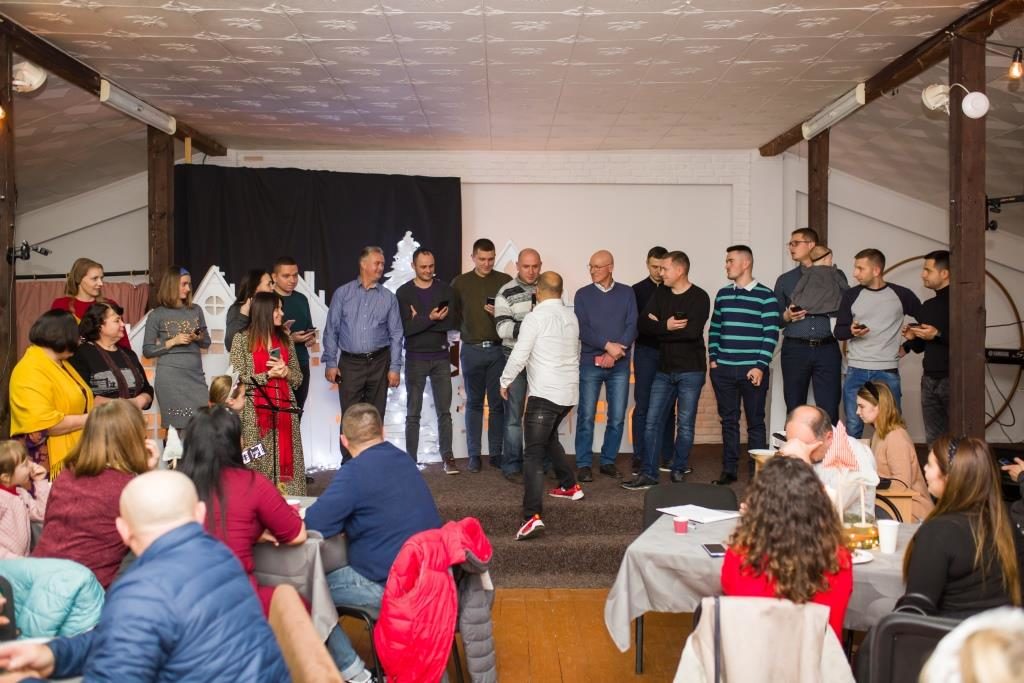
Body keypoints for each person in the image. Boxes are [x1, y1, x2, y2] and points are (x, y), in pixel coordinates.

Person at [0, 470, 290, 682]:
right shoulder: (220, 556)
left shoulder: (140, 592)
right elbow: (123, 638)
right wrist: (54, 655)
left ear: (123, 530)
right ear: (200, 514)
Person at [304, 404, 441, 683]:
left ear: (344, 441)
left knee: (303, 591)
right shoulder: (404, 459)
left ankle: (357, 675)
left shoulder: (353, 473)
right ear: (382, 432)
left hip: (390, 586)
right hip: (433, 580)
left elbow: (314, 524)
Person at [179, 406, 307, 615]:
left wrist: (253, 532)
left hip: (182, 602)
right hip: (237, 602)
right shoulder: (251, 483)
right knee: (298, 607)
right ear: (234, 442)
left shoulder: (175, 485)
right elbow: (297, 535)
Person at [722, 456, 853, 641]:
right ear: (819, 505)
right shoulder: (838, 559)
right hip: (818, 656)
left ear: (759, 505)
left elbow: (733, 604)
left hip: (751, 657)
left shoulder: (740, 556)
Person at [32, 400, 157, 589]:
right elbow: (156, 536)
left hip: (40, 582)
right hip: (88, 593)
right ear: (133, 440)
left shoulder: (65, 477)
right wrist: (149, 474)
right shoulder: (127, 488)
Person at [500, 272, 583, 540]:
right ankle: (569, 485)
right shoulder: (571, 317)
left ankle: (531, 517)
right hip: (568, 395)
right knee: (549, 439)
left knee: (533, 455)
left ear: (538, 290)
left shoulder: (535, 318)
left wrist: (505, 380)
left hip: (545, 396)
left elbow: (520, 354)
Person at [901, 436, 1023, 617]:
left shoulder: (938, 532)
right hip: (1002, 633)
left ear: (950, 477)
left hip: (951, 634)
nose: (924, 468)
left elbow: (914, 611)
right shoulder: (1008, 526)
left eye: (930, 465)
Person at [623, 251, 710, 490]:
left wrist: (659, 328)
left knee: (685, 424)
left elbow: (692, 332)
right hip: (664, 370)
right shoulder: (661, 292)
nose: (661, 273)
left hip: (691, 371)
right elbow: (643, 325)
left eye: (665, 269)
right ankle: (648, 474)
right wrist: (667, 326)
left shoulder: (700, 297)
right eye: (659, 268)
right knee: (652, 421)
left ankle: (678, 469)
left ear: (680, 270)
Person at [708, 245, 780, 485]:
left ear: (746, 263)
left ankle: (757, 474)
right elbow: (715, 329)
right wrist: (713, 360)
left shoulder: (766, 296)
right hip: (724, 370)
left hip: (753, 370)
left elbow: (771, 334)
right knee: (728, 421)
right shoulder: (723, 295)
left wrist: (760, 366)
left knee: (755, 423)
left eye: (730, 261)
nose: (726, 265)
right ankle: (729, 470)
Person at [835, 248, 920, 438]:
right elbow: (839, 332)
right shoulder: (851, 295)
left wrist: (909, 346)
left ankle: (890, 458)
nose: (855, 273)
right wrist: (851, 331)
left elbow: (927, 322)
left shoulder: (902, 294)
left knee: (891, 426)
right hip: (856, 370)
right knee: (853, 425)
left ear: (876, 270)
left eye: (860, 268)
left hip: (887, 371)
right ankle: (853, 459)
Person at [322, 246, 403, 446]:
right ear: (363, 264)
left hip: (379, 363)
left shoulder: (388, 298)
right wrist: (331, 362)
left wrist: (394, 368)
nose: (381, 267)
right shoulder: (342, 294)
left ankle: (373, 458)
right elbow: (331, 330)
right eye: (377, 263)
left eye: (383, 264)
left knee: (376, 415)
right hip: (350, 364)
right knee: (350, 415)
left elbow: (396, 334)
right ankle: (349, 461)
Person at [229, 292, 305, 496]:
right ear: (264, 311)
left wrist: (286, 372)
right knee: (257, 464)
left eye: (281, 308)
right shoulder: (242, 339)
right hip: (254, 415)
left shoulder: (285, 339)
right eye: (277, 309)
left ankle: (288, 508)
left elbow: (298, 379)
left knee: (286, 466)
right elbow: (237, 380)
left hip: (285, 413)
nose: (282, 313)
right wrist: (268, 375)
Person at [573, 249, 637, 482]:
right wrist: (608, 346)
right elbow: (583, 329)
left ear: (610, 267)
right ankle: (583, 464)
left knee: (617, 416)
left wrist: (614, 354)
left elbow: (632, 326)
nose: (592, 270)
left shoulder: (627, 293)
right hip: (590, 363)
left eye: (597, 266)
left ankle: (608, 461)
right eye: (590, 266)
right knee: (586, 415)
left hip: (619, 364)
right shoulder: (582, 295)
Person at [774, 228, 848, 424]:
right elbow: (775, 319)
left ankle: (832, 444)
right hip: (795, 349)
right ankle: (794, 444)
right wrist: (787, 315)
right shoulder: (785, 280)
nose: (791, 247)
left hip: (827, 347)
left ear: (811, 245)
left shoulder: (836, 275)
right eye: (790, 244)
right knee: (794, 406)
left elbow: (846, 306)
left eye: (795, 243)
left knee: (830, 407)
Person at [451, 238, 512, 473]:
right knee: (474, 403)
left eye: (491, 259)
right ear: (473, 258)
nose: (487, 264)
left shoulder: (504, 281)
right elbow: (453, 315)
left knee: (497, 405)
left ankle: (495, 454)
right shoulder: (460, 283)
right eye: (482, 259)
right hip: (471, 349)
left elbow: (515, 315)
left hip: (498, 350)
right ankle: (474, 455)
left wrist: (500, 313)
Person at [8, 310, 93, 479]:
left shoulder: (61, 364)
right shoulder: (30, 369)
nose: (79, 342)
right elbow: (46, 424)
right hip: (42, 465)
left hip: (75, 452)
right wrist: (92, 418)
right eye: (78, 337)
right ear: (63, 336)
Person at [396, 247, 458, 473]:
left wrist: (419, 320)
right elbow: (405, 329)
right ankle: (410, 461)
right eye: (423, 267)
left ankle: (448, 457)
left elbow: (450, 323)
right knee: (413, 413)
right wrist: (430, 318)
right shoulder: (404, 293)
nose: (428, 270)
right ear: (413, 266)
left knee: (445, 412)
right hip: (415, 359)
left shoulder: (445, 290)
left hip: (441, 357)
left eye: (431, 266)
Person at [778, 405, 879, 519]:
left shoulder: (855, 457)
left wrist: (804, 466)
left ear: (829, 437)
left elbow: (824, 510)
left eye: (805, 445)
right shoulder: (808, 447)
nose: (798, 450)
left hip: (846, 527)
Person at [142, 266, 212, 431]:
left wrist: (197, 337)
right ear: (171, 285)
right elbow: (148, 350)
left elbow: (206, 342)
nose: (188, 289)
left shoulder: (196, 310)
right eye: (184, 284)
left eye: (189, 284)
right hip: (170, 381)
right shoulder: (157, 315)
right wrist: (173, 341)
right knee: (175, 432)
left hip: (195, 378)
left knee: (202, 427)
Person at [494, 248, 543, 483]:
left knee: (543, 414)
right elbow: (502, 329)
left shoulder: (548, 289)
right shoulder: (505, 292)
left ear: (540, 265)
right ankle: (512, 464)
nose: (531, 271)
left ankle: (542, 462)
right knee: (514, 415)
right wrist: (532, 328)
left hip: (542, 361)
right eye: (526, 266)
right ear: (517, 266)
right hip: (514, 359)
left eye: (535, 266)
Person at [854, 381, 933, 522]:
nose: (857, 412)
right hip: (890, 506)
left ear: (879, 406)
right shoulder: (879, 434)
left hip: (910, 511)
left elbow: (901, 485)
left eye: (861, 406)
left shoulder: (896, 437)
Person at [631, 246, 675, 476]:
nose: (658, 271)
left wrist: (655, 324)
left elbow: (679, 325)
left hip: (670, 352)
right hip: (645, 352)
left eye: (661, 267)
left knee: (669, 407)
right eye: (653, 266)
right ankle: (639, 457)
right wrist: (660, 325)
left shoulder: (674, 289)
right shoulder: (637, 290)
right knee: (643, 405)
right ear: (647, 264)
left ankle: (667, 456)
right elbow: (638, 325)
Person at [902, 250, 951, 446]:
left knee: (959, 437)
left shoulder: (964, 303)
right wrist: (912, 338)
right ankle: (936, 467)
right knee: (934, 439)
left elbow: (971, 342)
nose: (923, 275)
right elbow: (921, 347)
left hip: (955, 379)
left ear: (944, 273)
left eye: (928, 270)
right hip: (929, 378)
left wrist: (938, 334)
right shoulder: (928, 305)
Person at [70, 303, 153, 411]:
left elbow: (147, 388)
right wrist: (124, 405)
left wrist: (141, 400)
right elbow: (82, 395)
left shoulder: (129, 354)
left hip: (132, 419)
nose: (122, 324)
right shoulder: (81, 354)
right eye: (117, 320)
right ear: (99, 325)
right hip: (101, 420)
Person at [50, 257, 129, 349]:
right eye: (95, 278)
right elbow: (53, 341)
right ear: (78, 279)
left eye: (101, 278)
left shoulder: (109, 305)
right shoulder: (61, 305)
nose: (101, 283)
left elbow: (124, 343)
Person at [272, 257, 317, 408]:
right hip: (277, 364)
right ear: (274, 277)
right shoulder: (267, 300)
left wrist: (311, 338)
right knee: (277, 412)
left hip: (301, 362)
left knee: (297, 411)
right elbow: (261, 335)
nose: (292, 280)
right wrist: (290, 339)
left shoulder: (302, 299)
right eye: (286, 276)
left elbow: (308, 326)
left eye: (295, 275)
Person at [0, 440, 50, 558]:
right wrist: (13, 560)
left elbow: (42, 514)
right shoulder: (2, 500)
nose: (31, 466)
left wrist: (40, 481)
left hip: (21, 562)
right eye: (25, 464)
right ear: (6, 477)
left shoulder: (21, 494)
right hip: (6, 565)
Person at [225, 268, 274, 352]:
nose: (272, 288)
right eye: (268, 284)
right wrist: (243, 315)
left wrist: (284, 335)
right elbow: (230, 344)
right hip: (250, 359)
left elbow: (273, 343)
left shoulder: (271, 307)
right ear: (254, 288)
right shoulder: (238, 309)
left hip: (270, 358)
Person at [790, 246, 847, 317]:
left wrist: (794, 299)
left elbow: (799, 287)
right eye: (830, 259)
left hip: (809, 307)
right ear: (825, 259)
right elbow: (844, 286)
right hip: (831, 307)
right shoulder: (833, 272)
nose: (831, 262)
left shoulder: (808, 272)